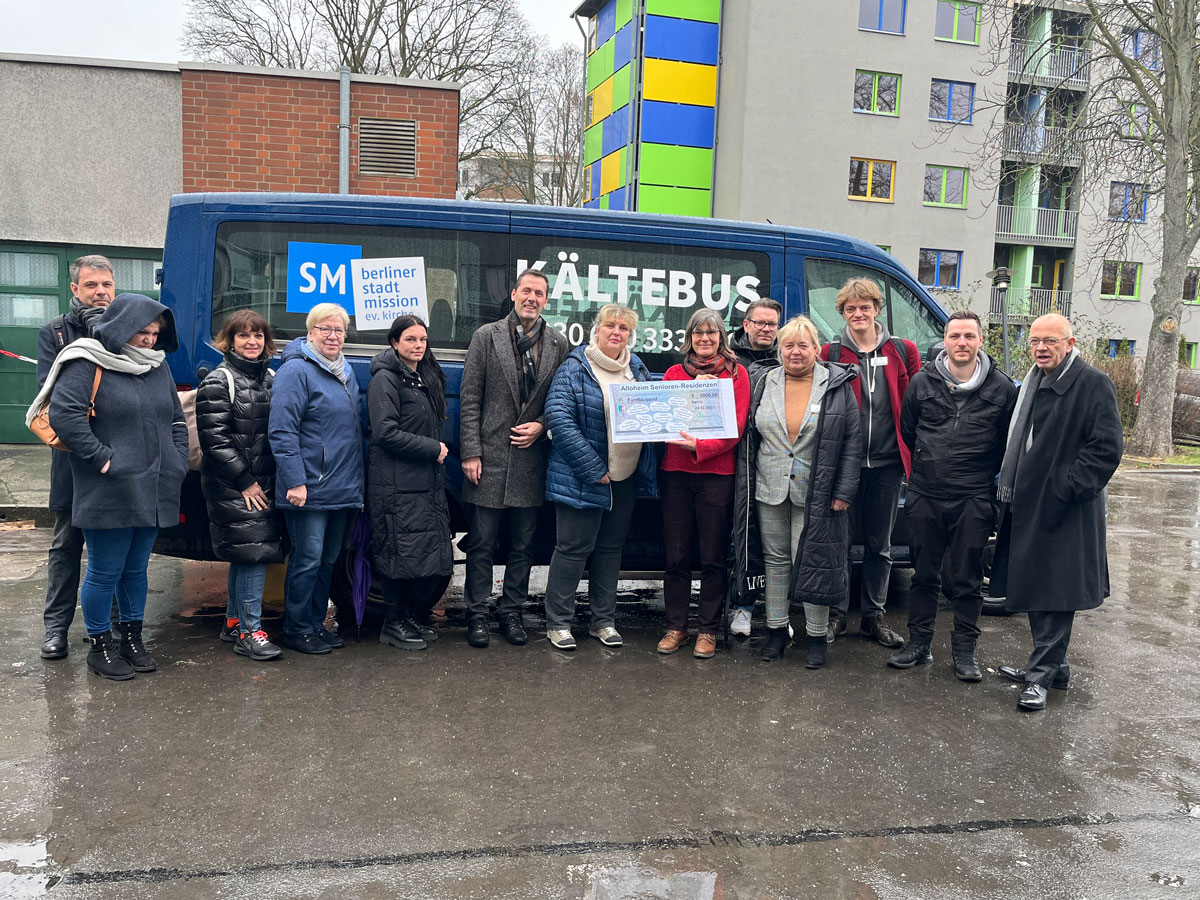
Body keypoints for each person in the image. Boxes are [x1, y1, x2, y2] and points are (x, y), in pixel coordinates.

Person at [33, 293, 188, 680]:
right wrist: (104, 459)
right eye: (142, 331)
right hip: (109, 486)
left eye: (155, 333)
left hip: (154, 484)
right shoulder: (85, 360)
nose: (149, 340)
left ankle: (132, 641)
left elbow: (176, 419)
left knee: (136, 570)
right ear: (120, 326)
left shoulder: (158, 367)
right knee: (105, 571)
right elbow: (66, 416)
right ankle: (100, 646)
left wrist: (176, 460)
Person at [990, 314, 1123, 711]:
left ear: (1070, 342)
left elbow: (1106, 448)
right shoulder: (1033, 382)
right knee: (1035, 587)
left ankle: (1039, 676)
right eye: (1034, 341)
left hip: (1066, 508)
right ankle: (1054, 667)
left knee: (1056, 594)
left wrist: (1067, 487)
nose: (1041, 348)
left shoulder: (1092, 383)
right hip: (1030, 504)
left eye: (1050, 340)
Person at [889, 311, 1016, 680]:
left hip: (973, 495)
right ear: (944, 341)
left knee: (967, 578)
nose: (962, 342)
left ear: (980, 341)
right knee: (924, 574)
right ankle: (918, 644)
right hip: (926, 492)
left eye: (969, 336)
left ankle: (965, 652)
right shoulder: (921, 383)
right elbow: (909, 432)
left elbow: (1006, 443)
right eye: (955, 336)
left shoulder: (1002, 389)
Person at [732, 315, 862, 666]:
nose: (795, 352)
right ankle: (776, 631)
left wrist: (844, 490)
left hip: (817, 490)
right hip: (769, 487)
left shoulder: (837, 385)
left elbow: (852, 440)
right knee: (775, 562)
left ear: (816, 349)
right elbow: (749, 434)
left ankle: (817, 638)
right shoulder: (764, 381)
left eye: (803, 345)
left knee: (813, 562)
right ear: (779, 348)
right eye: (788, 345)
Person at [458, 269, 569, 648]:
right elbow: (470, 398)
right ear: (513, 293)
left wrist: (541, 425)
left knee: (523, 546)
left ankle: (511, 613)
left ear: (546, 300)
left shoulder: (557, 343)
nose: (532, 298)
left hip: (531, 460)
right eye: (526, 290)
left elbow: (561, 402)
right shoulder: (486, 337)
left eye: (539, 293)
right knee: (482, 544)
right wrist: (470, 452)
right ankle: (475, 614)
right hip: (488, 458)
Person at [542, 304, 658, 650]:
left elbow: (656, 409)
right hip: (584, 478)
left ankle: (603, 621)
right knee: (573, 549)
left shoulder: (636, 369)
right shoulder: (575, 369)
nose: (616, 332)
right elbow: (559, 420)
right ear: (596, 330)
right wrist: (593, 469)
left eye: (624, 328)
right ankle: (559, 622)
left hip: (624, 478)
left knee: (610, 550)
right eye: (610, 325)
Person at [820, 277, 920, 648]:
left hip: (888, 464)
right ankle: (836, 615)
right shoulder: (830, 353)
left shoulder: (902, 350)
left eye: (865, 307)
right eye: (850, 308)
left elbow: (913, 405)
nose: (858, 314)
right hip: (843, 465)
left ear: (877, 309)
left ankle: (873, 617)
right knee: (839, 544)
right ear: (842, 313)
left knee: (880, 546)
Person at [269, 303, 364, 655]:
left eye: (339, 330)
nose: (333, 336)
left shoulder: (346, 371)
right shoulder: (296, 371)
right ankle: (295, 628)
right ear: (310, 332)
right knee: (307, 560)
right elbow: (282, 430)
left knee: (327, 562)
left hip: (340, 488)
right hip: (308, 487)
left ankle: (313, 624)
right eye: (325, 329)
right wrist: (295, 480)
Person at [36, 254, 117, 660]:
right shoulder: (55, 332)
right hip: (73, 460)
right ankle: (55, 629)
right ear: (75, 290)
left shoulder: (127, 328)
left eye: (106, 286)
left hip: (120, 459)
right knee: (66, 546)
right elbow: (51, 400)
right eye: (91, 286)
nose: (100, 293)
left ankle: (112, 628)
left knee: (115, 549)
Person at [657, 309, 749, 659]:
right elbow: (663, 419)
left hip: (717, 475)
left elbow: (736, 427)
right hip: (676, 474)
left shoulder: (736, 375)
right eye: (699, 333)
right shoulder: (674, 374)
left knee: (712, 557)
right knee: (676, 555)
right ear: (690, 337)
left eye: (712, 333)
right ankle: (676, 626)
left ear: (722, 336)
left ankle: (707, 630)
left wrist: (702, 447)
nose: (705, 339)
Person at [197, 310, 285, 661]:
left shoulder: (270, 378)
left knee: (245, 554)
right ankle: (250, 632)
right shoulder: (219, 381)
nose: (252, 342)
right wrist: (246, 481)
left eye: (258, 336)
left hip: (260, 482)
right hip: (236, 485)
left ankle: (233, 622)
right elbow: (214, 440)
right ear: (229, 340)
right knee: (253, 556)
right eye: (243, 336)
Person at [366, 315, 453, 652]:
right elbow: (385, 433)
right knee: (395, 551)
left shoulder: (419, 378)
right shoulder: (385, 380)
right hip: (395, 481)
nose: (418, 346)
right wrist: (433, 449)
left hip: (420, 481)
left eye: (422, 340)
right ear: (394, 343)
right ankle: (391, 623)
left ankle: (406, 615)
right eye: (410, 340)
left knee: (415, 552)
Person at [726, 297, 782, 639]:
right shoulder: (728, 356)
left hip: (771, 459)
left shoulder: (787, 357)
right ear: (745, 325)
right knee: (736, 537)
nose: (765, 329)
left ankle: (769, 609)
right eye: (759, 323)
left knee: (771, 540)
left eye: (771, 324)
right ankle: (737, 607)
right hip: (728, 458)